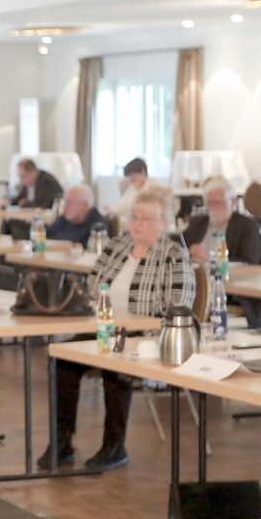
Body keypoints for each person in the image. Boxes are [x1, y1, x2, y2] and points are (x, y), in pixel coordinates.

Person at [40, 186, 194, 471]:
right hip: (106, 327)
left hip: (145, 335)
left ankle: (115, 445)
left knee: (115, 364)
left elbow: (178, 307)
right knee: (63, 359)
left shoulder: (174, 255)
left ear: (164, 222)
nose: (137, 224)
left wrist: (133, 325)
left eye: (146, 219)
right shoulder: (117, 246)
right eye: (134, 217)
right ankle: (62, 441)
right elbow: (91, 287)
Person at [183, 176, 261, 327]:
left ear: (232, 201)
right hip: (194, 281)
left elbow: (249, 261)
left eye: (218, 202)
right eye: (209, 203)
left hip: (229, 290)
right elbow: (180, 245)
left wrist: (211, 259)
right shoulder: (198, 223)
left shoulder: (247, 226)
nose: (213, 208)